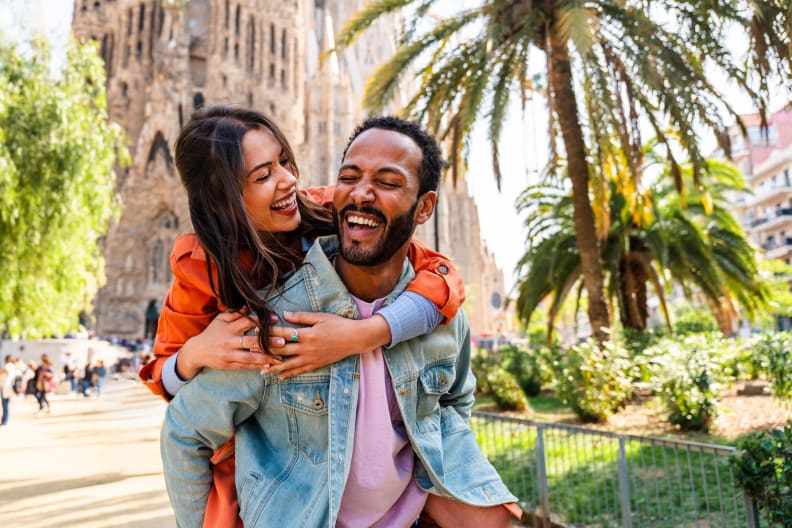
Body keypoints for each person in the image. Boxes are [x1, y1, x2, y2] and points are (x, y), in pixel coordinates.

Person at [161, 116, 520, 527]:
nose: (285, 181)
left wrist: (366, 334)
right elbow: (181, 420)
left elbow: (453, 384)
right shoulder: (252, 308)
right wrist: (191, 355)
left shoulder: (324, 212)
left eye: (285, 163)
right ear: (222, 201)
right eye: (262, 175)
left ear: (424, 207)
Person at [1, 355, 16, 425]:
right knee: (5, 403)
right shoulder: (12, 366)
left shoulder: (8, 366)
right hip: (9, 386)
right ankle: (4, 419)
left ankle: (4, 420)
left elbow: (4, 372)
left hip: (6, 386)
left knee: (5, 404)